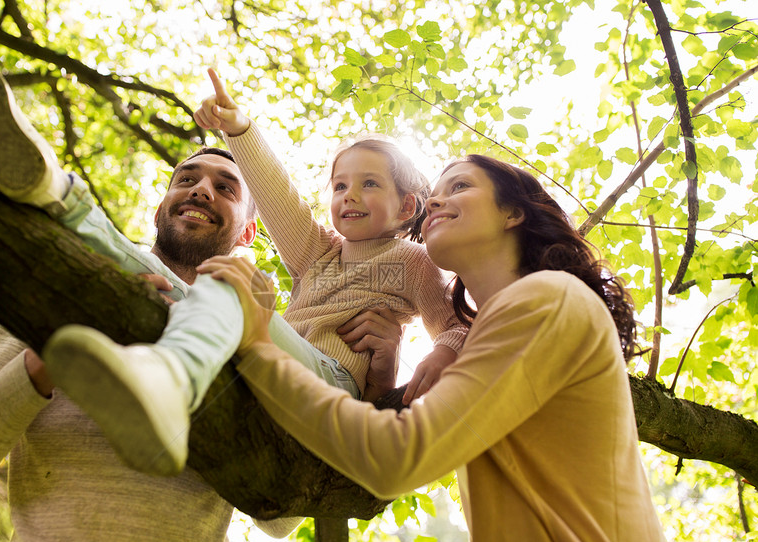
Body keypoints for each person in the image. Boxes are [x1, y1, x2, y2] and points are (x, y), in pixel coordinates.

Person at [0, 61, 403, 542]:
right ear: (159, 209)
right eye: (186, 179)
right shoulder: (59, 295)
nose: (201, 190)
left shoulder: (251, 336)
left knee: (232, 291)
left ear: (250, 233)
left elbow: (280, 517)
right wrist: (50, 359)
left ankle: (59, 194)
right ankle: (54, 190)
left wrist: (379, 380)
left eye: (226, 187)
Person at [205, 155, 677, 542]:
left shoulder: (547, 299)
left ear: (514, 212)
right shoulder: (498, 335)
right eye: (436, 193)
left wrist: (260, 343)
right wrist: (380, 380)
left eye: (460, 186)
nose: (436, 201)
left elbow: (396, 456)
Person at [39, 68, 467, 474]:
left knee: (235, 283)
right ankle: (62, 199)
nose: (349, 195)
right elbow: (278, 194)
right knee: (176, 290)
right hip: (265, 370)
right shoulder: (318, 252)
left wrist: (442, 351)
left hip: (329, 383)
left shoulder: (414, 262)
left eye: (369, 184)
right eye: (340, 186)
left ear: (407, 206)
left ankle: (171, 383)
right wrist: (239, 127)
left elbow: (457, 323)